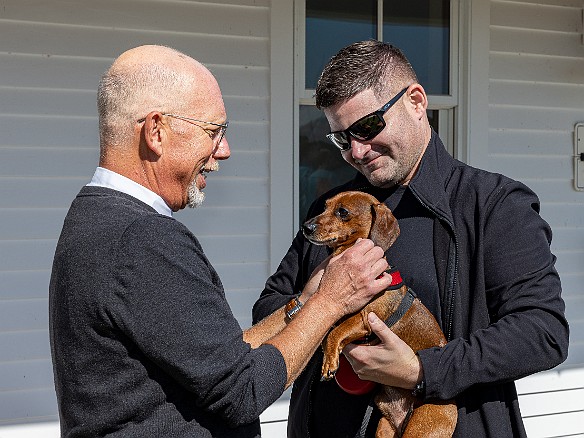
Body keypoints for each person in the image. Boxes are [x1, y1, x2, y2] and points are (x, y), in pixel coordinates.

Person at [48, 45, 393, 437]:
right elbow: (242, 389)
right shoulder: (142, 238)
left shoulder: (95, 215)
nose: (224, 152)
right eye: (213, 132)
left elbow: (222, 356)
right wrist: (332, 303)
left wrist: (306, 301)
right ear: (156, 131)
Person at [252, 40, 570, 437]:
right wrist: (319, 302)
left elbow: (543, 332)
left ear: (416, 101)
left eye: (367, 127)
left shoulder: (493, 204)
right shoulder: (334, 208)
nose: (356, 150)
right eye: (340, 138)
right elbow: (269, 306)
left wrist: (422, 370)